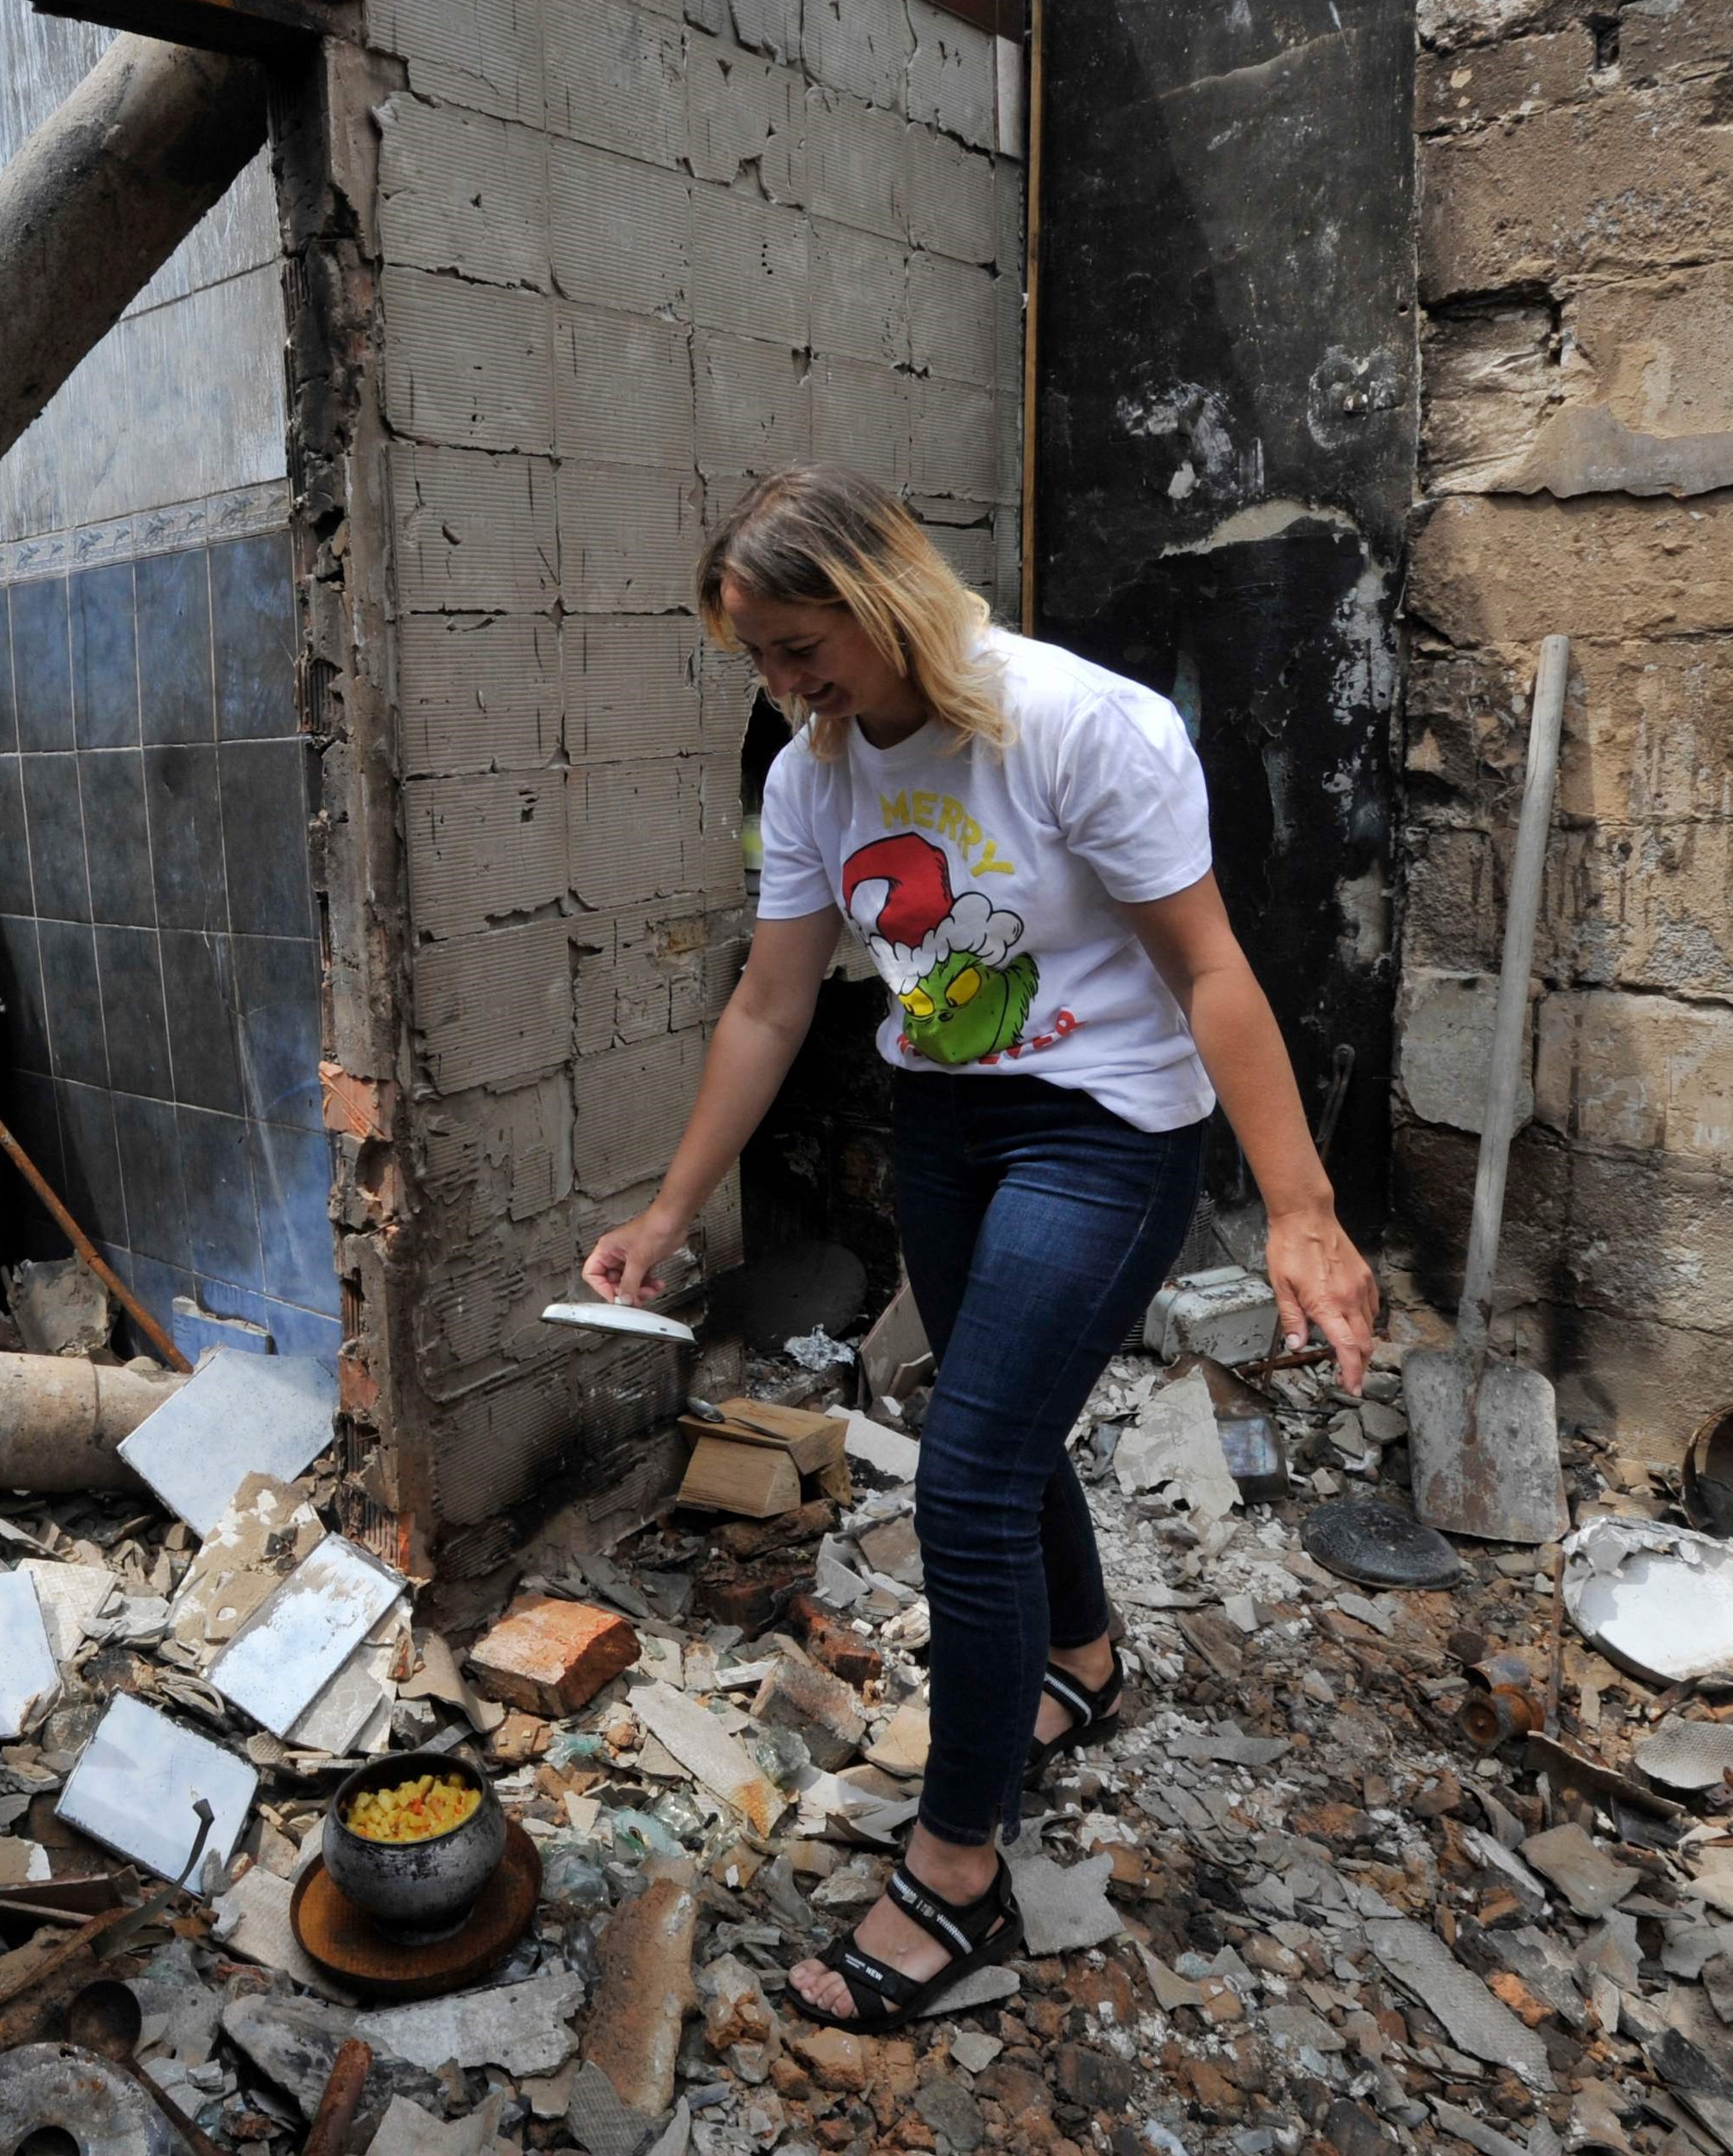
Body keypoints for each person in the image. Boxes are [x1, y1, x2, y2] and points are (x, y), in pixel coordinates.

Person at [580, 465, 1380, 2030]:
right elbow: (771, 1003)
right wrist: (669, 1213)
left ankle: (957, 1867)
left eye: (801, 648)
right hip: (945, 1123)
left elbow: (1213, 972)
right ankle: (1085, 1656)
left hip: (1105, 1129)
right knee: (1000, 1434)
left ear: (882, 599)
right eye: (756, 658)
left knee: (965, 1477)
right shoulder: (812, 778)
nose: (783, 686)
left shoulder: (1074, 726)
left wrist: (1302, 1209)